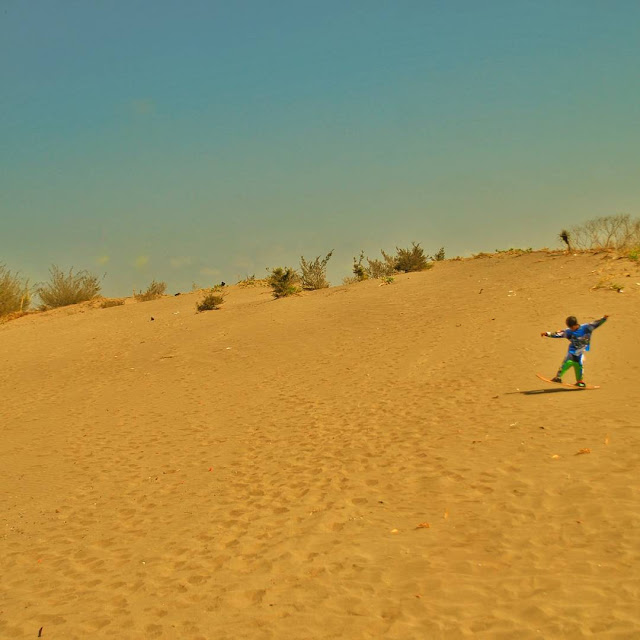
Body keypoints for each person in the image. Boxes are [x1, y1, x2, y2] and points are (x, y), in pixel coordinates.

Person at [541, 315, 609, 387]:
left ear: (575, 325)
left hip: (580, 353)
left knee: (579, 367)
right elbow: (558, 334)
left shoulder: (586, 327)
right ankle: (558, 378)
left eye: (571, 327)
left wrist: (604, 319)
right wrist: (547, 333)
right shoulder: (569, 331)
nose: (570, 329)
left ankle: (580, 381)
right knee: (565, 364)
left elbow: (596, 323)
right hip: (572, 352)